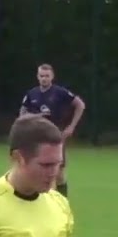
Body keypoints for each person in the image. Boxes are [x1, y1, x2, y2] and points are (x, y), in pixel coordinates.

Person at [19, 64, 86, 197]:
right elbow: (22, 114)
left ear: (52, 77)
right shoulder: (31, 94)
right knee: (37, 169)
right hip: (37, 136)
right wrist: (35, 118)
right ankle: (39, 198)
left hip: (55, 136)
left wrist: (71, 127)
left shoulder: (60, 92)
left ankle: (62, 201)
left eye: (47, 76)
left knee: (59, 173)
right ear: (37, 77)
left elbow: (80, 105)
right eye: (41, 76)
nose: (44, 79)